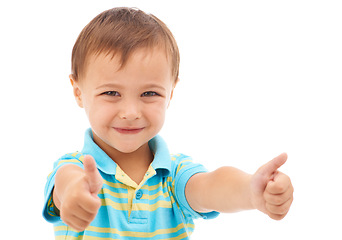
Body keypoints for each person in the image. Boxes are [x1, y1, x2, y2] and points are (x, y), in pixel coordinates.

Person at [43, 7, 294, 239]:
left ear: (170, 94)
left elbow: (212, 186)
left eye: (149, 94)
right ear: (78, 92)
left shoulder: (174, 176)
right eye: (111, 93)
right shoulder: (74, 168)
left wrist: (250, 190)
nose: (131, 112)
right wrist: (75, 193)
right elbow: (66, 184)